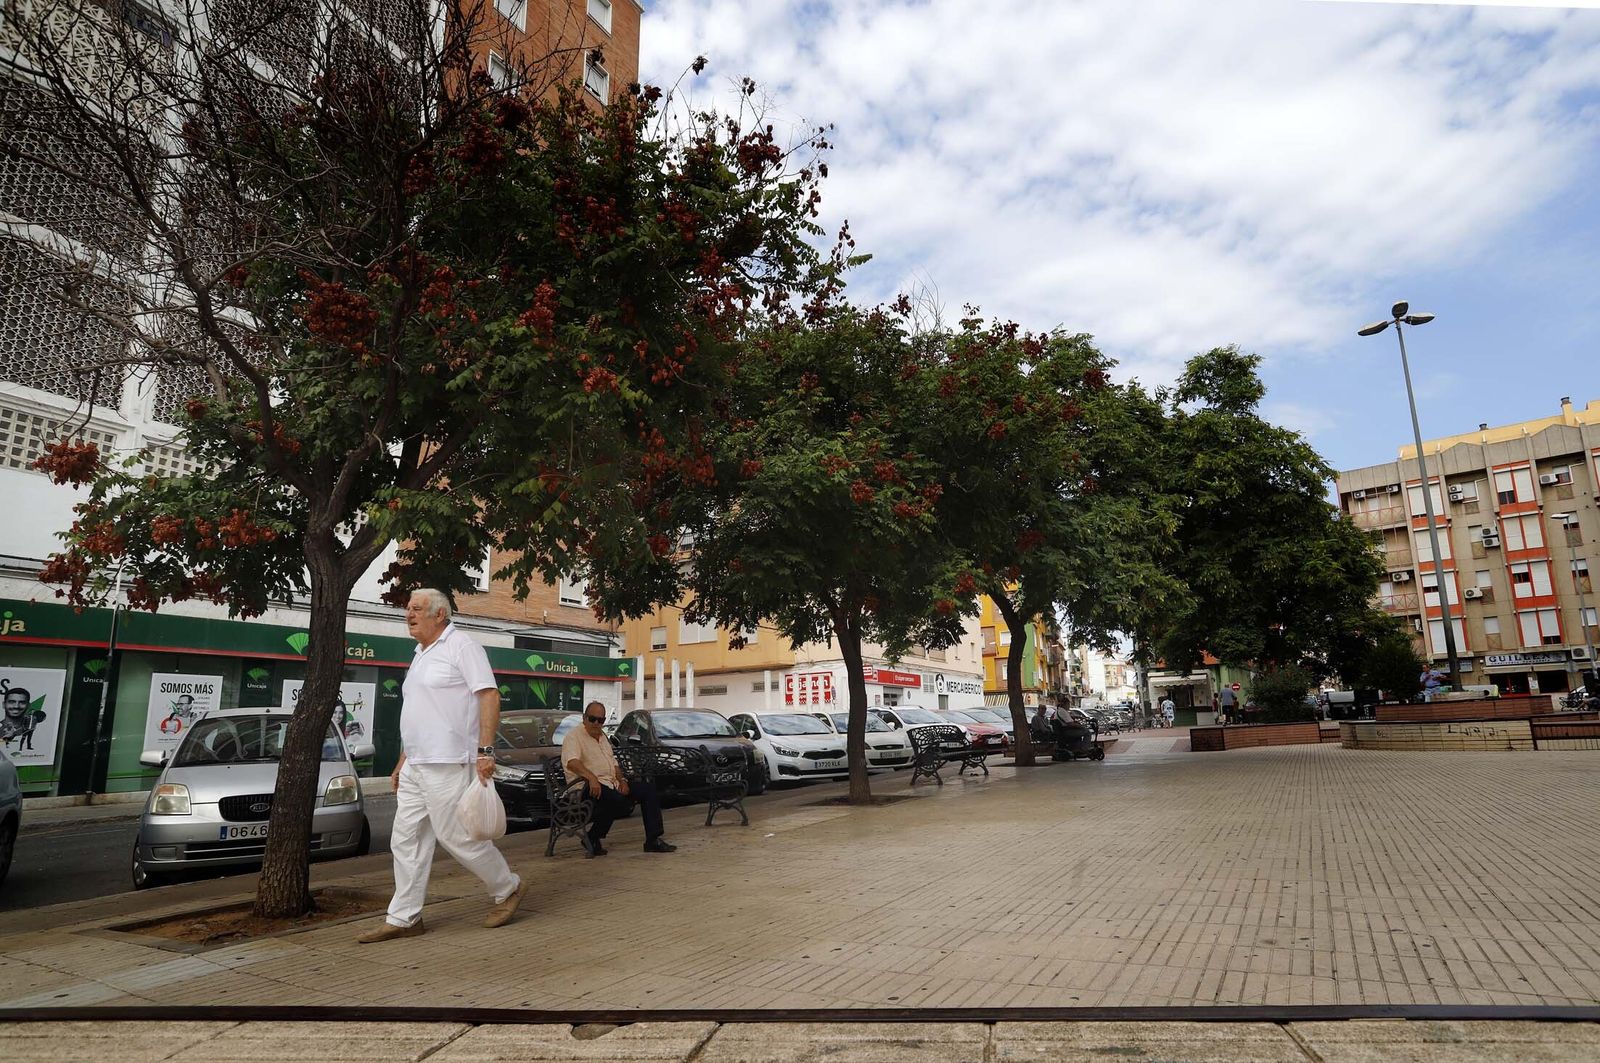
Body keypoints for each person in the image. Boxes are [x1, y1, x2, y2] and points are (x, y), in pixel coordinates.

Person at [359, 589, 523, 943]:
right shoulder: (419, 653)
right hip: (418, 762)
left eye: (416, 609)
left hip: (450, 760)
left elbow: (489, 694)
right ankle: (404, 918)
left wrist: (485, 750)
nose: (408, 614)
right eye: (407, 609)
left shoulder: (462, 646)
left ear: (440, 614)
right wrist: (403, 760)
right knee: (405, 840)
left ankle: (506, 887)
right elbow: (419, 712)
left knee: (457, 836)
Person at [562, 700, 676, 854]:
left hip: (610, 783)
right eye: (592, 719)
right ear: (584, 718)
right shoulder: (574, 736)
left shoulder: (602, 736)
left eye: (600, 720)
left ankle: (653, 840)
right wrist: (591, 778)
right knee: (617, 800)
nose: (596, 723)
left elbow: (613, 763)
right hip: (584, 788)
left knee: (647, 790)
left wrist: (622, 780)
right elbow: (572, 762)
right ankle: (593, 837)